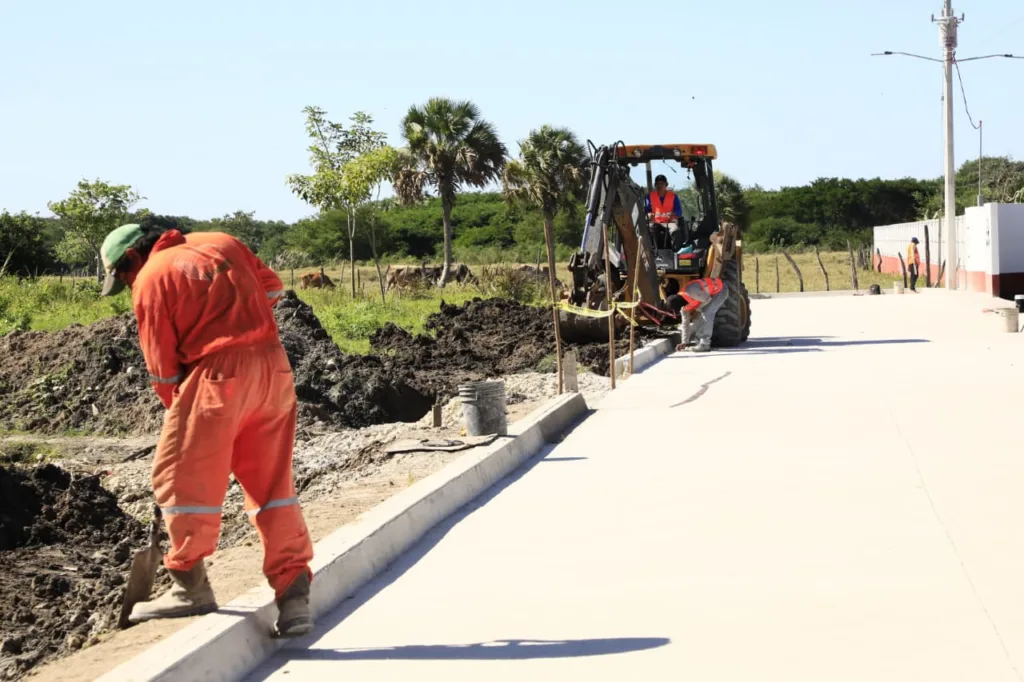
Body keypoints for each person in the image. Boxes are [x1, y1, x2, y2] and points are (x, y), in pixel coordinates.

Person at [99, 215, 315, 637]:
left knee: (179, 477)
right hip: (273, 369)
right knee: (272, 486)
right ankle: (294, 597)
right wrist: (234, 316)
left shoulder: (151, 278)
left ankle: (189, 586)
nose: (127, 284)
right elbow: (273, 289)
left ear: (132, 257)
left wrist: (179, 410)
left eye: (123, 277)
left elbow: (163, 370)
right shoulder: (223, 241)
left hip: (216, 377)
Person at [675, 277, 729, 353]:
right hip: (710, 294)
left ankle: (705, 344)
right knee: (700, 315)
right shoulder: (683, 307)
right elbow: (685, 324)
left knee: (707, 313)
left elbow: (708, 299)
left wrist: (698, 308)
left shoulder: (691, 292)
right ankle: (699, 341)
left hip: (720, 290)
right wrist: (684, 342)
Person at [645, 174, 686, 251]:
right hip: (655, 222)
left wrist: (673, 214)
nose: (660, 186)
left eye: (662, 184)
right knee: (649, 228)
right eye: (658, 184)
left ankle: (675, 251)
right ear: (655, 185)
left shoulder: (673, 196)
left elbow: (679, 211)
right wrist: (648, 214)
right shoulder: (649, 196)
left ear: (666, 184)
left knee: (675, 230)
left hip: (669, 222)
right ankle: (652, 251)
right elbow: (646, 210)